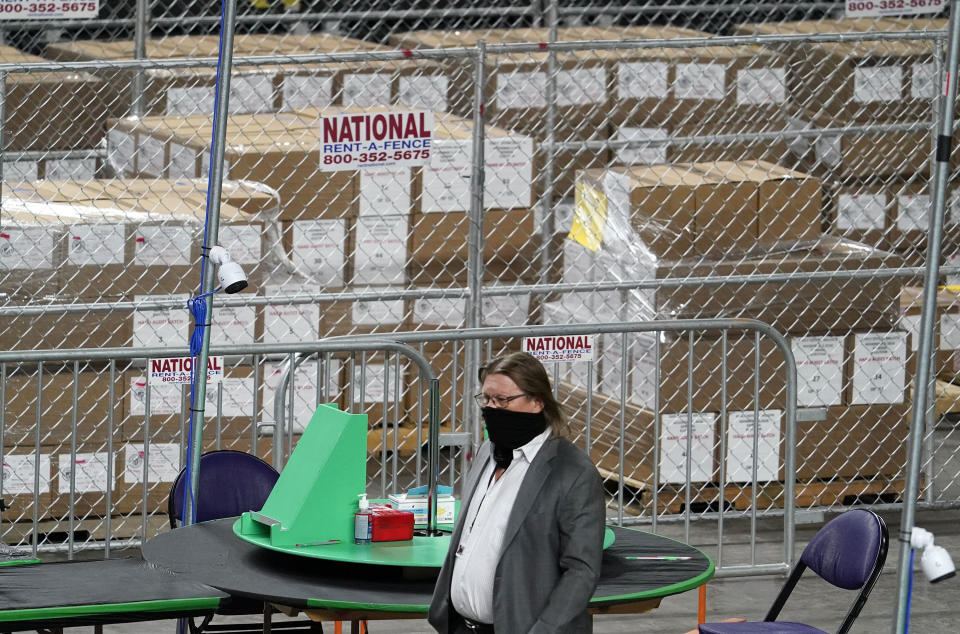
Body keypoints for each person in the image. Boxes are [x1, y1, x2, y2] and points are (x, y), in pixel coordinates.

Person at [428, 351, 606, 634]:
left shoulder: (573, 472)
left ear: (537, 402)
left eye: (503, 400)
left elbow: (581, 571)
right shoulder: (489, 451)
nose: (491, 408)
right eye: (486, 399)